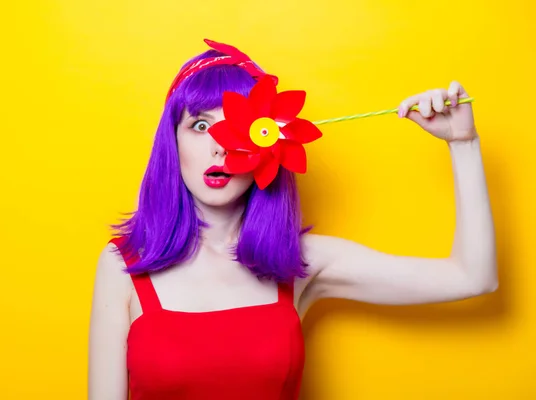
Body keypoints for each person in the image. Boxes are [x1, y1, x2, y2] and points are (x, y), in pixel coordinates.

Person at [87, 39, 497, 400]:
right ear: (172, 143)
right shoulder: (124, 264)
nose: (220, 148)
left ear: (271, 142)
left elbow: (472, 277)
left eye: (235, 127)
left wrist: (464, 144)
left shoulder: (298, 262)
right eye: (199, 125)